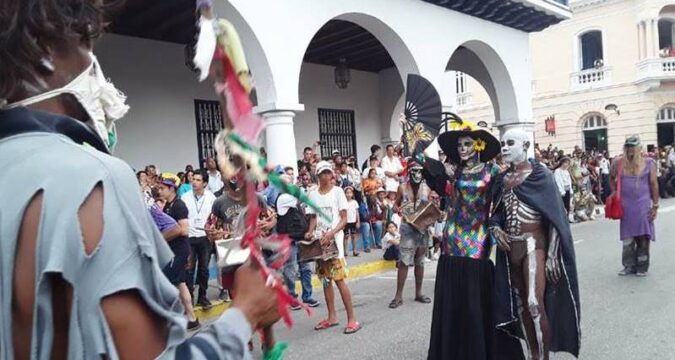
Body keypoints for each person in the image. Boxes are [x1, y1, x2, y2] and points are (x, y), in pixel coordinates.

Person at [0, 2, 282, 357]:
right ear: (46, 49)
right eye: (85, 45)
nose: (93, 64)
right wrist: (246, 313)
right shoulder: (91, 177)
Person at [491, 129, 581, 360]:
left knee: (534, 302)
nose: (504, 148)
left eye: (510, 143)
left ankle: (543, 357)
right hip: (511, 247)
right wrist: (495, 227)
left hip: (534, 245)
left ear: (525, 145)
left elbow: (555, 218)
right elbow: (497, 213)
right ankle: (533, 353)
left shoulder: (541, 175)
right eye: (502, 143)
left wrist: (552, 255)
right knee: (520, 304)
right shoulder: (502, 179)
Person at [423, 119, 503, 360]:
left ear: (478, 146)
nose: (462, 149)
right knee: (453, 298)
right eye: (459, 145)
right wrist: (413, 142)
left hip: (478, 238)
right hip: (452, 236)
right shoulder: (452, 171)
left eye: (467, 144)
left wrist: (497, 226)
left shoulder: (493, 172)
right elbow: (424, 166)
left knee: (474, 298)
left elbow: (500, 206)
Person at [305, 161, 361, 334]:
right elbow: (314, 218)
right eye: (322, 173)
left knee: (339, 280)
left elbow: (344, 218)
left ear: (332, 175)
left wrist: (332, 233)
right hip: (320, 243)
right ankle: (332, 317)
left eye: (328, 173)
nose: (326, 176)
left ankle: (352, 319)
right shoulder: (313, 194)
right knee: (325, 280)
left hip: (334, 243)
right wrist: (309, 232)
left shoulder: (337, 192)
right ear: (318, 176)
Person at [611, 136, 659, 277]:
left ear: (639, 148)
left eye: (633, 146)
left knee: (643, 235)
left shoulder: (649, 163)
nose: (630, 149)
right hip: (625, 205)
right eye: (628, 147)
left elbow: (654, 184)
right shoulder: (619, 162)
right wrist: (615, 193)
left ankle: (642, 265)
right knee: (628, 237)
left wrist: (655, 206)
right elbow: (611, 178)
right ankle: (628, 265)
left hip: (642, 204)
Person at [388, 161, 434, 309]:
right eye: (414, 171)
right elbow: (395, 204)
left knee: (420, 261)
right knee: (404, 262)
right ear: (409, 172)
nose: (417, 174)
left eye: (420, 171)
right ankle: (398, 295)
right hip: (408, 228)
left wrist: (433, 215)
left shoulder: (426, 189)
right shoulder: (402, 188)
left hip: (422, 229)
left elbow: (431, 207)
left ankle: (418, 293)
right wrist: (399, 209)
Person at [158, 175, 201, 330]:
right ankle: (191, 318)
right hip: (173, 250)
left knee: (170, 283)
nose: (160, 191)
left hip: (179, 251)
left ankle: (174, 318)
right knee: (180, 284)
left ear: (171, 188)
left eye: (163, 188)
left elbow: (183, 230)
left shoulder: (179, 206)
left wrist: (162, 238)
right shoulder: (168, 206)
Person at [276, 175, 321, 310]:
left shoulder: (292, 200)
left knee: (305, 269)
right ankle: (292, 298)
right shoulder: (284, 198)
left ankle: (307, 296)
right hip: (289, 240)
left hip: (300, 238)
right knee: (291, 269)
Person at [181, 169, 217, 308]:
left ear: (205, 183)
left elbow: (214, 217)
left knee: (204, 269)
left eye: (198, 180)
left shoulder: (211, 197)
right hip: (189, 237)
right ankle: (189, 297)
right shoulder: (185, 197)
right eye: (193, 180)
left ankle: (202, 296)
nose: (194, 183)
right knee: (189, 269)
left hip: (204, 237)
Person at [553, 157, 574, 223]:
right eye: (566, 163)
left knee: (567, 205)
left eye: (568, 163)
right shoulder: (557, 171)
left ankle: (566, 218)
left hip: (567, 189)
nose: (567, 165)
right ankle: (561, 220)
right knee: (562, 206)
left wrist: (570, 190)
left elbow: (569, 181)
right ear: (562, 163)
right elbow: (558, 181)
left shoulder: (566, 171)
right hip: (562, 191)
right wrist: (561, 191)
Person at [344, 186, 361, 257]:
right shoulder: (343, 202)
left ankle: (354, 250)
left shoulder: (354, 202)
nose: (348, 194)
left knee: (353, 236)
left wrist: (358, 221)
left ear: (352, 194)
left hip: (353, 221)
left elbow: (357, 212)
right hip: (346, 222)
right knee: (346, 236)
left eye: (350, 193)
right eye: (347, 193)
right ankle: (345, 251)